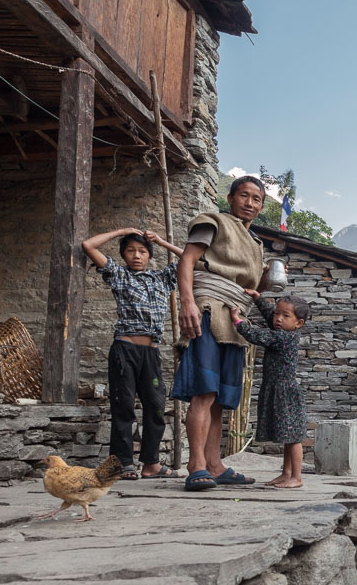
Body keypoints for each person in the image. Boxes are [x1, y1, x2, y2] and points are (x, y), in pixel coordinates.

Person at [173, 175, 270, 492]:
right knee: (205, 390)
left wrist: (265, 282)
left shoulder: (256, 245)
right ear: (230, 198)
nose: (250, 203)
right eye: (244, 196)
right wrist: (186, 302)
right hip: (209, 308)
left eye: (256, 199)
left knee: (220, 399)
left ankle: (214, 464)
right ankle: (196, 465)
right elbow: (187, 260)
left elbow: (253, 287)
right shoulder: (212, 221)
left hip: (235, 318)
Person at [82, 227, 183, 480]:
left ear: (149, 255)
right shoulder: (118, 275)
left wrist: (161, 241)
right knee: (123, 407)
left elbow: (193, 259)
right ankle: (123, 463)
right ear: (123, 255)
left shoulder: (162, 278)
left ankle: (151, 464)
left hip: (151, 353)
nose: (136, 256)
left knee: (156, 407)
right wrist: (123, 231)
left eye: (142, 251)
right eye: (130, 251)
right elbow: (88, 246)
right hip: (124, 351)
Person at [230, 292, 310, 489]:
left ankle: (297, 477)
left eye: (285, 316)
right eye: (277, 314)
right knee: (286, 436)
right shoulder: (283, 330)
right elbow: (269, 316)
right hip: (277, 388)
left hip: (285, 392)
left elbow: (257, 335)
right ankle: (286, 474)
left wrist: (238, 322)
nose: (278, 319)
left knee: (293, 437)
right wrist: (258, 298)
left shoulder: (284, 338)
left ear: (299, 323)